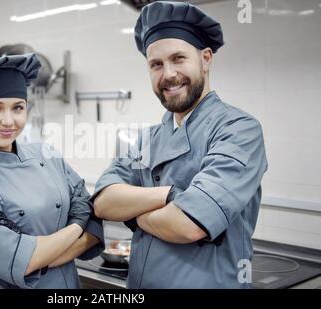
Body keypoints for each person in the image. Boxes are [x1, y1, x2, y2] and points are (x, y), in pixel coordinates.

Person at [92, 1, 267, 288]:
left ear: (206, 58)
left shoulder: (238, 130)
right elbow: (104, 202)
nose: (168, 74)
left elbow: (189, 225)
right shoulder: (146, 139)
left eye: (178, 58)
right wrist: (172, 196)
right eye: (156, 64)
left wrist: (132, 213)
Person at [0, 53, 104, 289]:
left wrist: (45, 257)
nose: (8, 121)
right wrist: (78, 224)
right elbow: (22, 260)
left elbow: (94, 225)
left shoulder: (47, 154)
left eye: (18, 108)